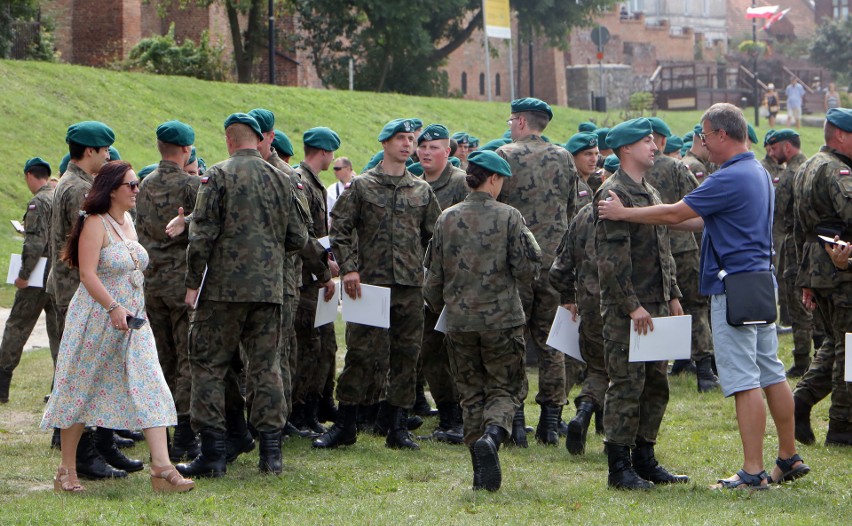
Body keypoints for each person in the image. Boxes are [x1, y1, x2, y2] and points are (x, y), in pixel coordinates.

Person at [598, 102, 810, 490]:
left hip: (734, 288)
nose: (703, 143)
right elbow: (701, 219)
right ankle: (788, 456)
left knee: (745, 380)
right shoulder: (757, 171)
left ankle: (751, 472)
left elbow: (678, 213)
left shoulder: (728, 176)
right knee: (771, 372)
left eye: (706, 135)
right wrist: (662, 222)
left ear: (722, 135)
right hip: (760, 283)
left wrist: (626, 214)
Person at [41, 160, 194, 494]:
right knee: (81, 389)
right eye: (132, 185)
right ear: (112, 190)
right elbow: (87, 274)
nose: (137, 190)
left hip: (134, 322)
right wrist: (112, 307)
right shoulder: (94, 222)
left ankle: (162, 469)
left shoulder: (128, 222)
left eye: (137, 183)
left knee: (152, 384)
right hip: (97, 318)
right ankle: (66, 471)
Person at [176, 113, 309, 478]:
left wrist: (192, 282)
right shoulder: (284, 179)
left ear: (229, 140)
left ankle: (213, 454)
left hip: (221, 290)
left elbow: (201, 234)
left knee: (208, 365)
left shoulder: (217, 174)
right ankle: (271, 454)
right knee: (266, 368)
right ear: (257, 139)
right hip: (268, 289)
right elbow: (299, 238)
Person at [315, 118, 441, 451]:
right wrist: (350, 268)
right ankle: (346, 424)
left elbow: (435, 236)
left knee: (406, 355)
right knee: (362, 353)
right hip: (368, 284)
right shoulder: (363, 186)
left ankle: (397, 427)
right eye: (400, 138)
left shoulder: (421, 189)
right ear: (385, 143)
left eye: (410, 139)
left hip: (410, 287)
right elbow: (340, 228)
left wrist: (426, 270)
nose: (407, 144)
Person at [424, 150, 542, 491]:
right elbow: (526, 269)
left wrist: (439, 306)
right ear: (493, 179)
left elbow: (432, 277)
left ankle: (480, 473)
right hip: (501, 320)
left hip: (458, 322)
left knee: (471, 394)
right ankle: (492, 436)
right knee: (506, 388)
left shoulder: (446, 218)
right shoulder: (509, 216)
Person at [592, 118, 687, 490]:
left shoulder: (649, 190)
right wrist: (632, 306)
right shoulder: (614, 194)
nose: (654, 146)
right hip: (629, 311)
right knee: (627, 385)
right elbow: (610, 261)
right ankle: (619, 467)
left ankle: (645, 458)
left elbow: (663, 250)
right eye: (646, 141)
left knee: (656, 384)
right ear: (626, 149)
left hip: (657, 304)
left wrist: (674, 294)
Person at [47, 121, 134, 478]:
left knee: (98, 371)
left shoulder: (76, 184)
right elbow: (91, 250)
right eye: (103, 150)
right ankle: (83, 454)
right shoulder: (78, 190)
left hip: (82, 291)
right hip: (81, 294)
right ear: (88, 152)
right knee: (84, 374)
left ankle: (102, 443)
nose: (108, 155)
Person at [497, 97, 579, 447]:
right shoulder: (564, 157)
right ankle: (550, 421)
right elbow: (573, 209)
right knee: (552, 343)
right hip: (555, 263)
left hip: (515, 263)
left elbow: (496, 208)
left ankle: (515, 419)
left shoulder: (504, 155)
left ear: (519, 122)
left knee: (514, 339)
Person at [134, 120, 200, 462]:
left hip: (152, 282)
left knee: (160, 359)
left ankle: (164, 430)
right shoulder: (191, 185)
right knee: (187, 357)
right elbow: (201, 230)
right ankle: (186, 432)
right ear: (186, 150)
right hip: (182, 284)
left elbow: (140, 228)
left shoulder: (143, 185)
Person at [791, 107, 852, 447]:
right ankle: (842, 424)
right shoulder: (838, 170)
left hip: (819, 267)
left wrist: (805, 277)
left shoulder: (806, 166)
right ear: (841, 135)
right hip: (841, 266)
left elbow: (800, 229)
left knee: (836, 340)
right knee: (850, 346)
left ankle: (801, 399)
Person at [645, 117, 718, 392]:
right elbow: (700, 204)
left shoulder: (636, 169)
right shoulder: (677, 167)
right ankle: (704, 373)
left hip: (649, 249)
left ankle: (658, 367)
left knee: (654, 310)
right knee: (695, 308)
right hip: (683, 247)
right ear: (663, 140)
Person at [416, 123, 469, 443]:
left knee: (461, 351)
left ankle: (468, 412)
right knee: (430, 350)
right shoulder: (416, 186)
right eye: (422, 147)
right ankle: (449, 414)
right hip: (426, 284)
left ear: (447, 152)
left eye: (433, 147)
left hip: (460, 282)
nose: (425, 152)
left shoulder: (462, 184)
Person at [0, 158, 61, 403]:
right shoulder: (59, 196)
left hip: (38, 276)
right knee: (58, 333)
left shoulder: (38, 202)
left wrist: (23, 275)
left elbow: (36, 243)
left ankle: (2, 384)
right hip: (59, 276)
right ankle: (60, 387)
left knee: (17, 326)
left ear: (29, 175)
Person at [291, 127, 339, 435]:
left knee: (319, 345)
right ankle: (299, 413)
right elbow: (305, 238)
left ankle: (311, 410)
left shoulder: (312, 182)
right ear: (324, 152)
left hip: (315, 275)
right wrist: (323, 272)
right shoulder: (301, 182)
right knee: (307, 347)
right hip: (307, 279)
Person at [766, 129, 813, 377]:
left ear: (786, 147)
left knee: (798, 306)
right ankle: (820, 355)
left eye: (775, 148)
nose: (772, 153)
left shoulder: (790, 175)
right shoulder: (811, 167)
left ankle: (803, 360)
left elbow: (777, 210)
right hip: (813, 248)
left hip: (794, 248)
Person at [327, 156, 354, 222]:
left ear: (348, 169)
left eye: (337, 169)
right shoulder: (331, 190)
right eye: (334, 169)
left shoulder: (361, 186)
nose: (335, 171)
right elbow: (327, 216)